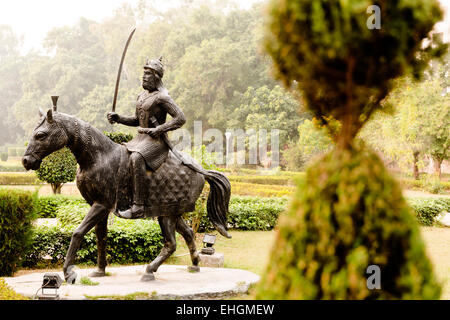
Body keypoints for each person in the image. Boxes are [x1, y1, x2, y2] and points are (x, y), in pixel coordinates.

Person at [107, 57, 186, 218]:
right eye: (144, 73)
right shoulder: (141, 96)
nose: (144, 76)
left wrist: (160, 129)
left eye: (148, 73)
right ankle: (121, 197)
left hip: (156, 142)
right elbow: (136, 120)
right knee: (119, 155)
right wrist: (119, 118)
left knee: (136, 158)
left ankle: (138, 206)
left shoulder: (162, 97)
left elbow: (180, 118)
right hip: (140, 139)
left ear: (156, 77)